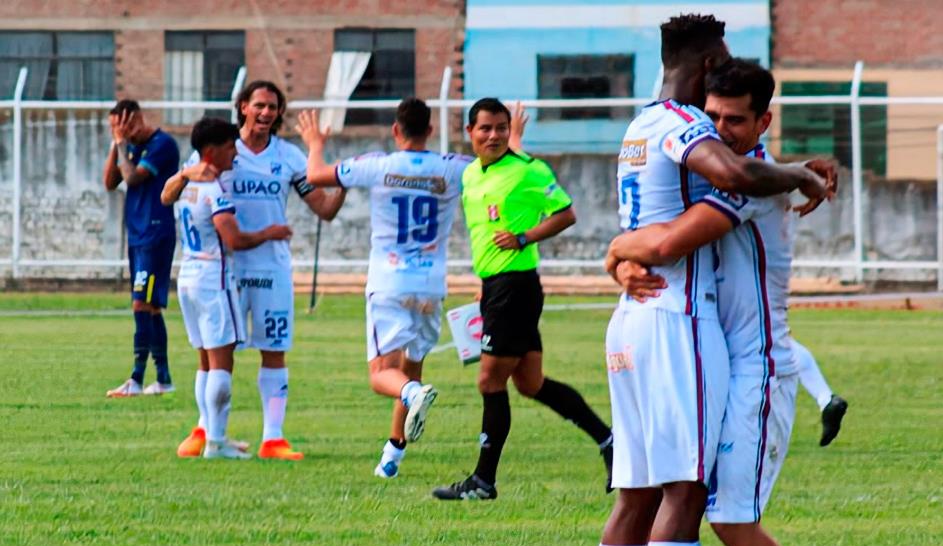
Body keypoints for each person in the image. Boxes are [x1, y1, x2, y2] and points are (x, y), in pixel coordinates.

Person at [596, 15, 832, 546]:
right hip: (682, 330)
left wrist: (616, 248)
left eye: (736, 120)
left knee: (687, 503)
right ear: (703, 77)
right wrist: (618, 255)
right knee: (679, 495)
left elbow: (677, 228)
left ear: (763, 122)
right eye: (717, 114)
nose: (721, 129)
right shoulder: (705, 148)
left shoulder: (648, 128)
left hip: (743, 359)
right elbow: (680, 231)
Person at [430, 97, 616, 501]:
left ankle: (483, 480)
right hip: (497, 286)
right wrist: (484, 278)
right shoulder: (471, 177)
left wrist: (524, 238)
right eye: (485, 128)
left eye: (501, 127)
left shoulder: (528, 171)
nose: (493, 135)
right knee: (530, 383)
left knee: (489, 380)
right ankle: (610, 443)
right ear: (470, 133)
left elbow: (565, 213)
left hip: (516, 287)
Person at [163, 80, 347, 460]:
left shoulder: (290, 158)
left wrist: (344, 178)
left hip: (270, 268)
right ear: (243, 106)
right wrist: (183, 176)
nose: (266, 113)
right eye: (259, 105)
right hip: (226, 269)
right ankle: (205, 430)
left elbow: (324, 210)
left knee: (273, 349)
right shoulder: (219, 153)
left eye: (273, 107)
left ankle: (273, 438)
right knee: (211, 352)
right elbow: (170, 194)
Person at [294, 99, 474, 478]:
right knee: (411, 370)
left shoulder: (377, 165)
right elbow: (494, 173)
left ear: (396, 130)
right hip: (430, 285)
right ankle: (391, 458)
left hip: (390, 282)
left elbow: (316, 174)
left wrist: (314, 142)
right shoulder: (453, 168)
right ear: (430, 130)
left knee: (383, 376)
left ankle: (411, 400)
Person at [175, 116, 293, 459]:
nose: (235, 156)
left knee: (206, 361)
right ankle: (216, 441)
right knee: (220, 362)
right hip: (214, 279)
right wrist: (269, 233)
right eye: (230, 149)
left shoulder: (187, 186)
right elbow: (234, 239)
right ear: (211, 151)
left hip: (188, 275)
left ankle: (211, 435)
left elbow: (168, 195)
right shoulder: (214, 191)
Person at [102, 99, 180, 398]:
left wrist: (122, 144)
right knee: (150, 307)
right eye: (114, 128)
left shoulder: (163, 145)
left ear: (136, 119)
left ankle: (136, 378)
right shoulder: (128, 147)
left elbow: (133, 177)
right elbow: (111, 182)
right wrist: (116, 144)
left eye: (122, 125)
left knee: (140, 303)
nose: (120, 132)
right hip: (137, 235)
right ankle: (163, 378)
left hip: (154, 234)